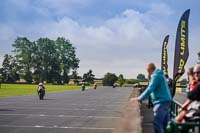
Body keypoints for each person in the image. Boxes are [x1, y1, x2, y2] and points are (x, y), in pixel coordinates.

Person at [130, 63, 172, 133]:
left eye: (147, 71)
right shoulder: (160, 75)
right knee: (165, 123)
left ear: (149, 70)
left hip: (160, 101)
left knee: (157, 123)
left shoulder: (156, 76)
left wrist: (139, 98)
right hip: (166, 100)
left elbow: (150, 89)